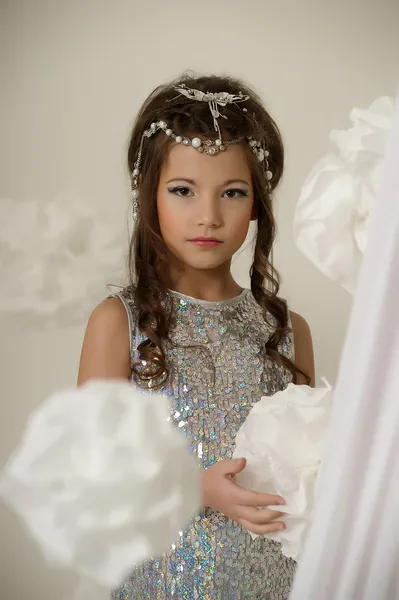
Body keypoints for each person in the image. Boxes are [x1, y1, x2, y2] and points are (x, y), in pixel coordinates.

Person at [78, 73, 315, 600]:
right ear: (149, 196)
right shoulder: (119, 323)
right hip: (161, 583)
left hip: (274, 584)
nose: (208, 215)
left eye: (232, 192)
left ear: (256, 203)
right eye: (183, 191)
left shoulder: (288, 333)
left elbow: (308, 471)